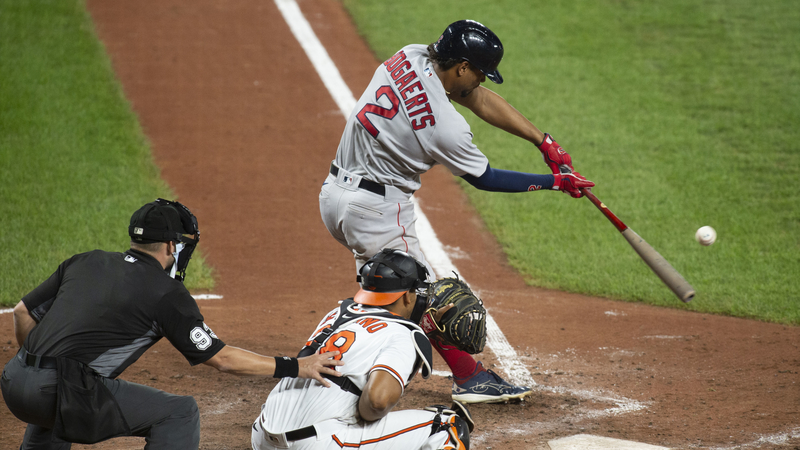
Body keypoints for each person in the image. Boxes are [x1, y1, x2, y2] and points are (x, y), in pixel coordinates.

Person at [319, 19, 594, 404]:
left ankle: (367, 352)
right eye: (480, 72)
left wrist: (541, 140)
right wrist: (555, 182)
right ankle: (469, 377)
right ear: (462, 66)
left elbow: (475, 98)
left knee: (389, 291)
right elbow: (485, 178)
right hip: (376, 209)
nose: (481, 80)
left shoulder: (410, 56)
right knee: (427, 295)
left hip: (334, 195)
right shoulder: (445, 127)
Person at [2, 198, 343, 449]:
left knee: (61, 396)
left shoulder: (86, 260)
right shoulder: (167, 293)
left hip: (13, 380)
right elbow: (222, 359)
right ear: (171, 245)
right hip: (53, 393)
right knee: (179, 413)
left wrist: (37, 372)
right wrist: (296, 366)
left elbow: (22, 313)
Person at [252, 249, 473, 450]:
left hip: (262, 436)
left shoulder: (337, 313)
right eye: (419, 291)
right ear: (407, 295)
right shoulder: (403, 335)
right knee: (446, 427)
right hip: (316, 443)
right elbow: (377, 402)